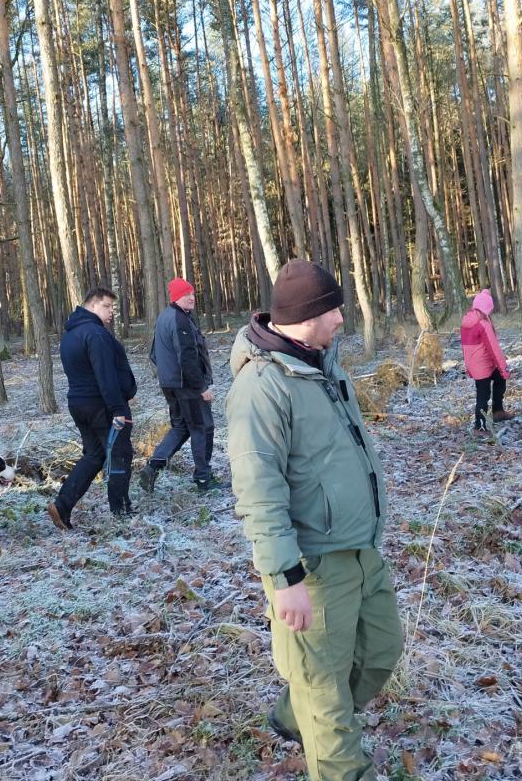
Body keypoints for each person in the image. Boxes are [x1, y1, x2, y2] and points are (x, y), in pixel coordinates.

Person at [226, 259, 403, 781]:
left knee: (380, 652)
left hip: (360, 548)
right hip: (312, 566)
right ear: (307, 316)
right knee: (325, 696)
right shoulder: (262, 386)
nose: (341, 320)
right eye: (333, 311)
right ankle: (330, 745)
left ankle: (293, 712)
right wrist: (286, 579)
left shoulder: (321, 364)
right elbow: (258, 492)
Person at [47, 287, 137, 528]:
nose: (111, 312)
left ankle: (62, 505)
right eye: (107, 306)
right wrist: (118, 409)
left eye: (113, 307)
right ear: (92, 305)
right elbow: (105, 375)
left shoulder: (70, 334)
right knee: (119, 454)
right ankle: (121, 512)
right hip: (102, 405)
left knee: (94, 454)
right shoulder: (95, 334)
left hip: (79, 404)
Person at [141, 277, 219, 492]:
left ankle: (152, 467)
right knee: (202, 427)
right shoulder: (180, 320)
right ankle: (204, 479)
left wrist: (168, 375)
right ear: (176, 297)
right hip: (187, 385)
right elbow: (187, 357)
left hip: (170, 384)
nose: (191, 298)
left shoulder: (164, 317)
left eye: (192, 293)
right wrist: (201, 388)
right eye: (186, 295)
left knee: (182, 426)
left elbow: (154, 354)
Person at [460, 289, 512, 432]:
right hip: (482, 366)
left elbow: (464, 347)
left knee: (499, 378)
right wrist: (504, 368)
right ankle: (479, 427)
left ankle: (498, 411)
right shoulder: (483, 324)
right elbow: (494, 349)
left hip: (477, 363)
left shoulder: (466, 320)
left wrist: (468, 366)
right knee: (483, 396)